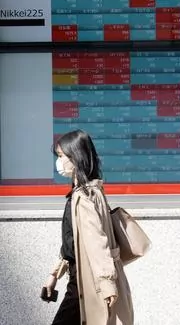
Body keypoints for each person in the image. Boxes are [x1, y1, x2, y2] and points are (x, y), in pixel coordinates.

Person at [42, 129, 134, 325]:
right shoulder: (88, 192)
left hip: (87, 281)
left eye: (61, 156)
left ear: (75, 157)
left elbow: (97, 241)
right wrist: (54, 274)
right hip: (80, 279)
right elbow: (73, 242)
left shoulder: (84, 197)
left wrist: (107, 283)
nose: (58, 162)